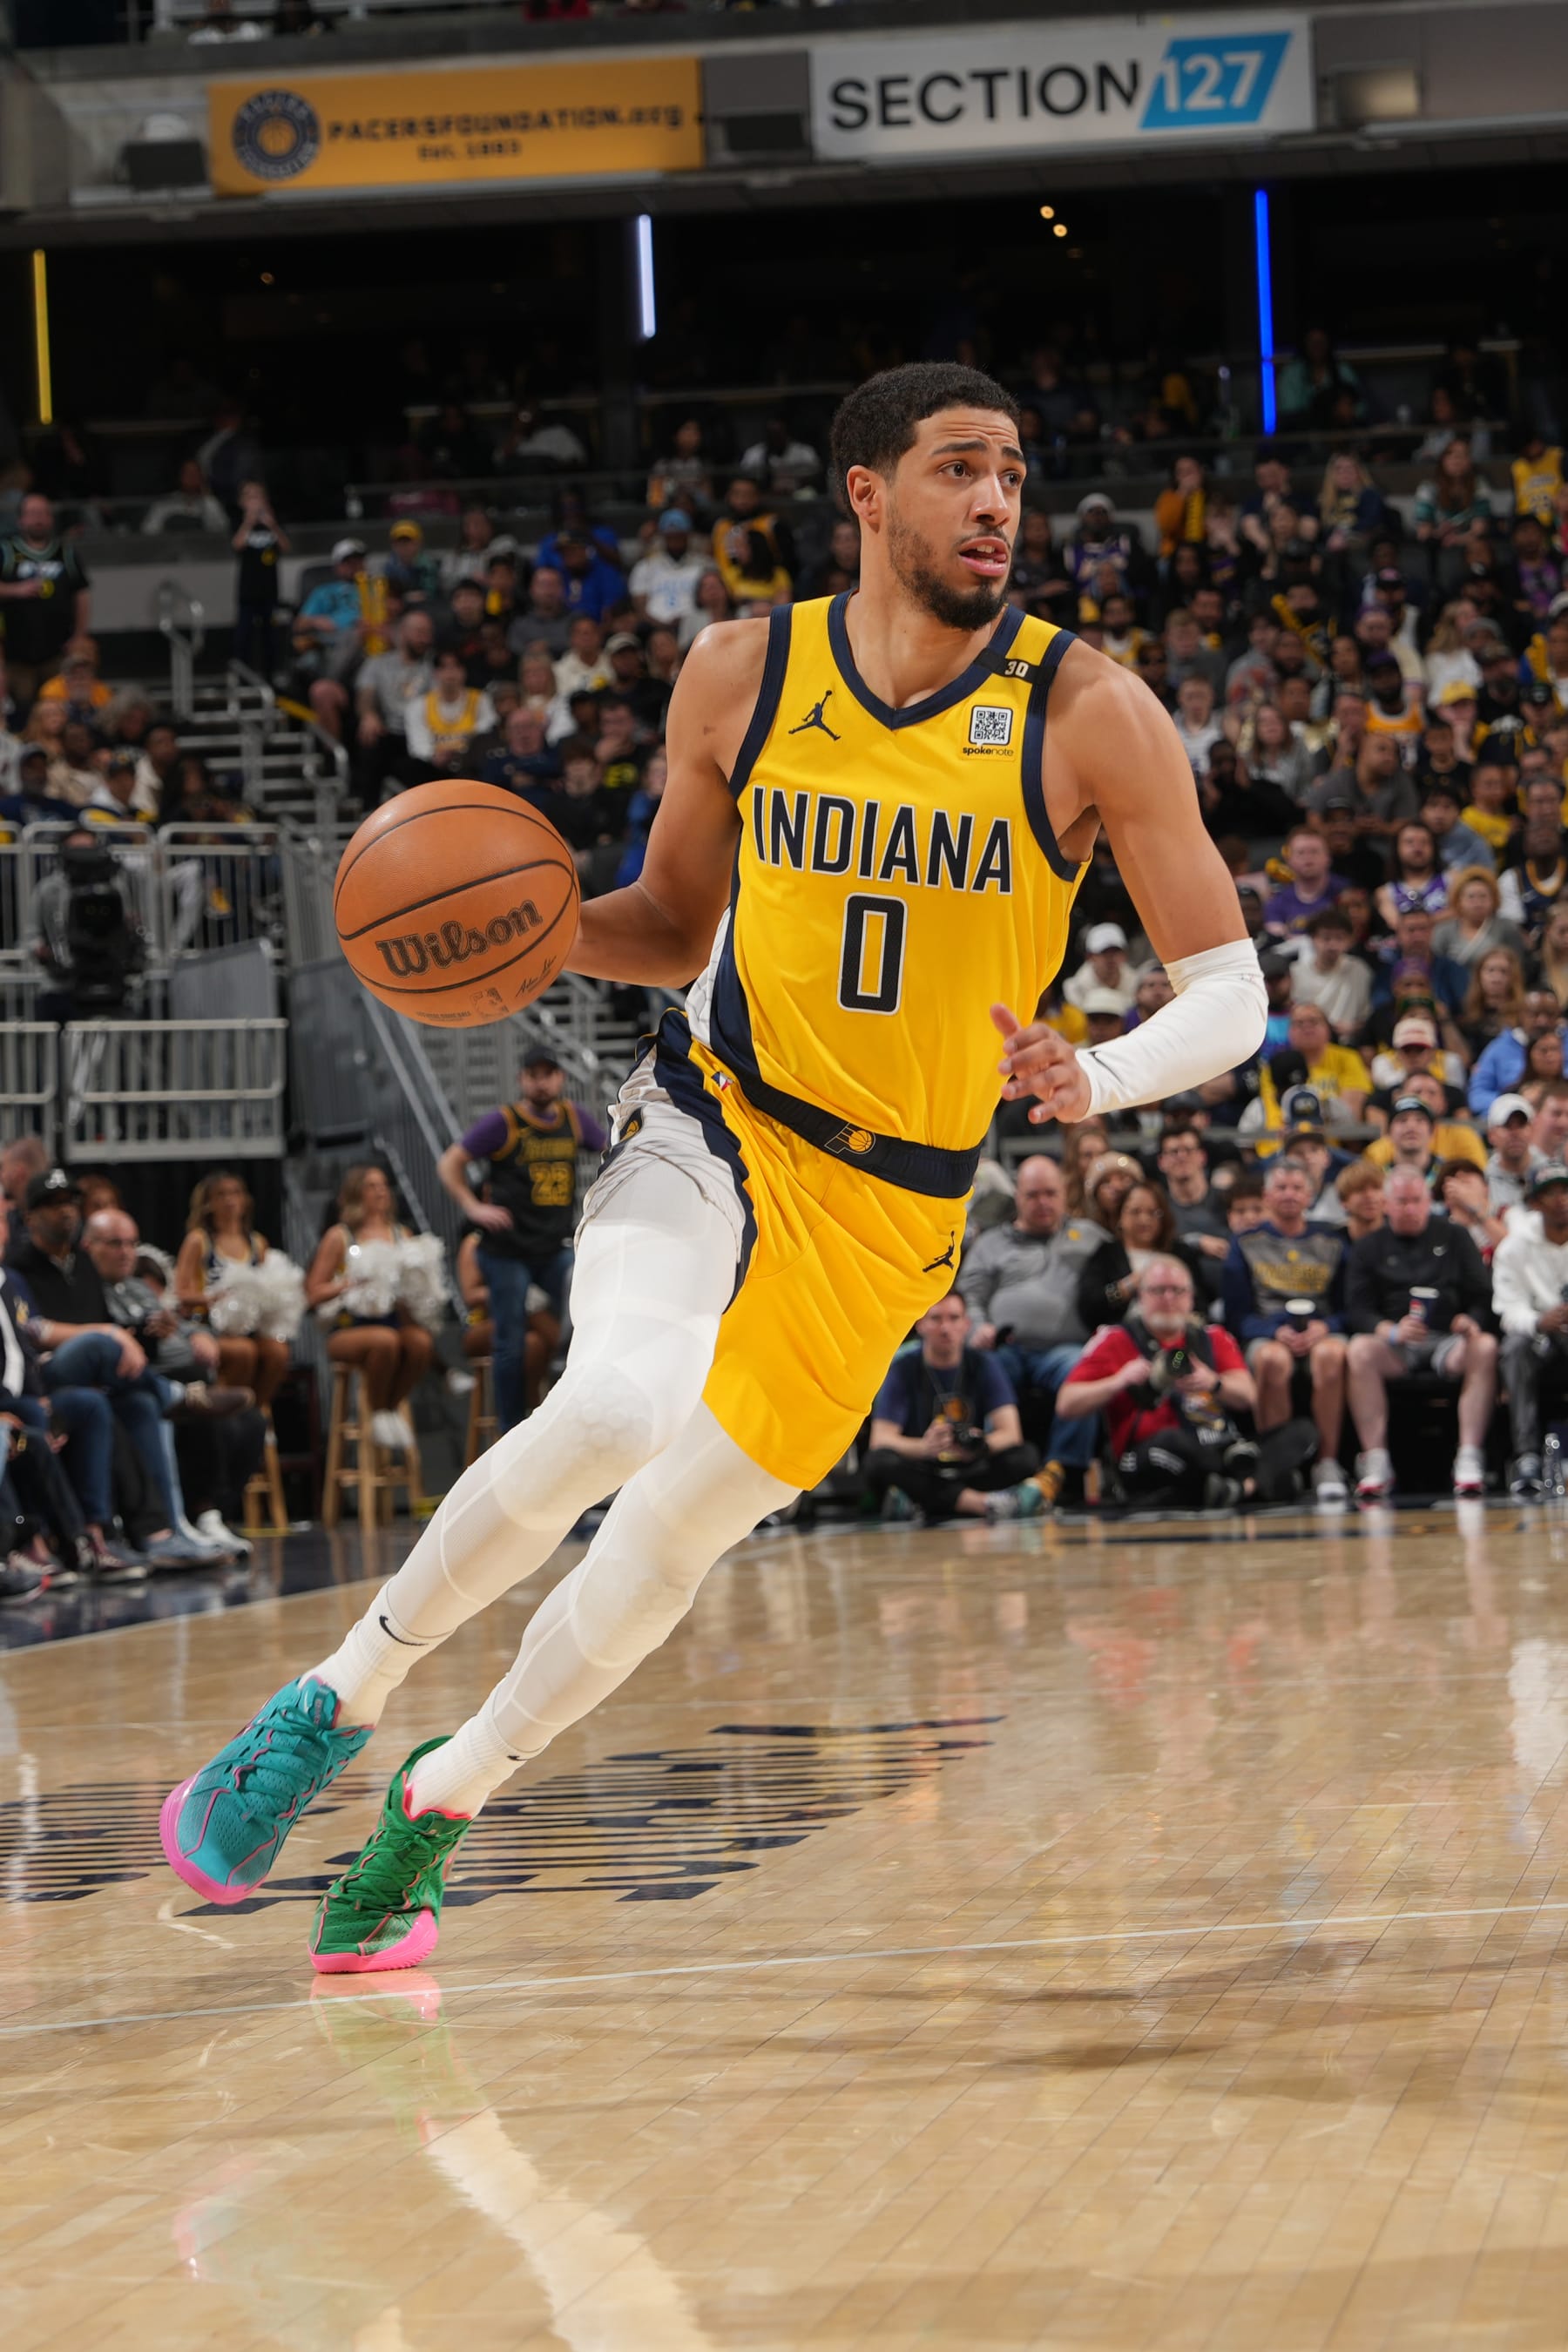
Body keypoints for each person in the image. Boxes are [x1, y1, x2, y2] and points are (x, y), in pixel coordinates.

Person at [162, 359, 1267, 1971]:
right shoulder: (743, 673)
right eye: (962, 469)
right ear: (868, 493)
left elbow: (1232, 991)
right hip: (718, 1110)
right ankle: (336, 1699)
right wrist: (527, 937)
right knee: (617, 1402)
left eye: (1014, 474)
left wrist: (1098, 1073)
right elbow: (670, 926)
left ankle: (442, 1805)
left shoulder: (1087, 710)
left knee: (671, 1537)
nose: (997, 503)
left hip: (895, 1207)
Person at [436, 1051, 607, 1435]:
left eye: (548, 1074)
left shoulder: (573, 1119)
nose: (541, 1082)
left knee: (586, 1303)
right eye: (533, 1075)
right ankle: (509, 1428)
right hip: (507, 1249)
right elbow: (450, 1163)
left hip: (551, 1247)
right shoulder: (505, 1122)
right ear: (521, 1079)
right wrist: (473, 1207)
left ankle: (575, 1401)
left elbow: (613, 1152)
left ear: (561, 1078)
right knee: (510, 1341)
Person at [1058, 1255, 1311, 1513]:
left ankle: (1231, 1489)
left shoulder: (1213, 1337)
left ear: (1191, 1298)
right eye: (1158, 1290)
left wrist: (1214, 1383)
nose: (1168, 1299)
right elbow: (1067, 1404)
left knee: (1302, 1431)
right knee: (1171, 1443)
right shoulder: (1115, 1339)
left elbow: (1248, 1396)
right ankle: (1257, 1485)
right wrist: (1118, 1381)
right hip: (1153, 1454)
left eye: (1177, 1291)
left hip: (1219, 1448)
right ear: (1140, 1296)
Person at [1343, 1165, 1497, 1498]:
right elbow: (1357, 1310)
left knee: (1484, 1346)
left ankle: (1469, 1457)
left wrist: (1470, 1320)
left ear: (1430, 1202)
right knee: (1359, 1349)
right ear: (1387, 1204)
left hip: (1448, 1341)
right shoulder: (1369, 1246)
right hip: (1396, 1345)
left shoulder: (1455, 1236)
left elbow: (1482, 1294)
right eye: (1401, 1201)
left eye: (1416, 1200)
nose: (1409, 1208)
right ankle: (1376, 1460)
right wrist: (1389, 1331)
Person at [1220, 1155, 1349, 1504]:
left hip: (1322, 1331)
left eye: (1297, 1187)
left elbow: (1348, 1307)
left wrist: (1326, 1327)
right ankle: (1278, 1465)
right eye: (1281, 1187)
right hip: (1266, 1333)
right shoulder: (1245, 1243)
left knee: (1332, 1355)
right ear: (1267, 1195)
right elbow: (1237, 1316)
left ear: (1310, 1195)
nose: (1289, 1194)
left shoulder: (1333, 1241)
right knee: (1273, 1360)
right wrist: (1273, 1330)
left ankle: (1327, 1462)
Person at [865, 1293, 1043, 1524]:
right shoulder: (903, 1368)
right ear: (920, 1325)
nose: (945, 1328)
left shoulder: (983, 1364)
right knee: (877, 1463)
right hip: (923, 1464)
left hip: (968, 1465)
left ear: (966, 1324)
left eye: (954, 1318)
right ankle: (981, 1504)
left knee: (1026, 1456)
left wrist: (980, 1446)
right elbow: (880, 1440)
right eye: (936, 1319)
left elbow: (1011, 1433)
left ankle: (926, 1503)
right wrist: (924, 1447)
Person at [305, 1166, 436, 1454]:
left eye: (383, 1185)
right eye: (371, 1185)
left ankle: (389, 1408)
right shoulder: (340, 1236)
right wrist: (351, 1285)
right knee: (384, 1342)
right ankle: (378, 1412)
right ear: (355, 1193)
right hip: (348, 1327)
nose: (380, 1191)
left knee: (421, 1342)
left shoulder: (402, 1234)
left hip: (394, 1322)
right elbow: (313, 1292)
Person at [174, 1170, 294, 1411]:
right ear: (208, 1204)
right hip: (209, 1326)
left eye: (235, 1193)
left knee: (278, 1352)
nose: (230, 1200)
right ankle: (231, 1415)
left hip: (249, 1327)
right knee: (243, 1352)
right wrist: (213, 1298)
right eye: (221, 1195)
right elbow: (179, 1294)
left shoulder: (257, 1243)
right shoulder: (199, 1241)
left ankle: (255, 1411)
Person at [1492, 1160, 1568, 1497]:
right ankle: (1526, 1456)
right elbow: (1507, 1310)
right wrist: (1539, 1320)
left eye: (1566, 1190)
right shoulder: (1515, 1246)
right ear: (1535, 1204)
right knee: (1514, 1347)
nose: (1561, 1199)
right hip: (1540, 1341)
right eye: (1551, 1193)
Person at [0, 492, 91, 707]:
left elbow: (82, 594)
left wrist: (79, 635)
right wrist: (17, 589)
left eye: (42, 513)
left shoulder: (66, 553)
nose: (38, 519)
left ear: (51, 518)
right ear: (21, 520)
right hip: (15, 654)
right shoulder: (5, 551)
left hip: (58, 652)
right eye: (32, 514)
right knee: (22, 709)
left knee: (57, 708)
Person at [1468, 989, 1565, 1115]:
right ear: (1521, 1015)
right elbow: (1477, 1096)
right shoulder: (1499, 1048)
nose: (1542, 1021)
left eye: (1550, 1014)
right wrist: (1515, 1104)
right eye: (1535, 1014)